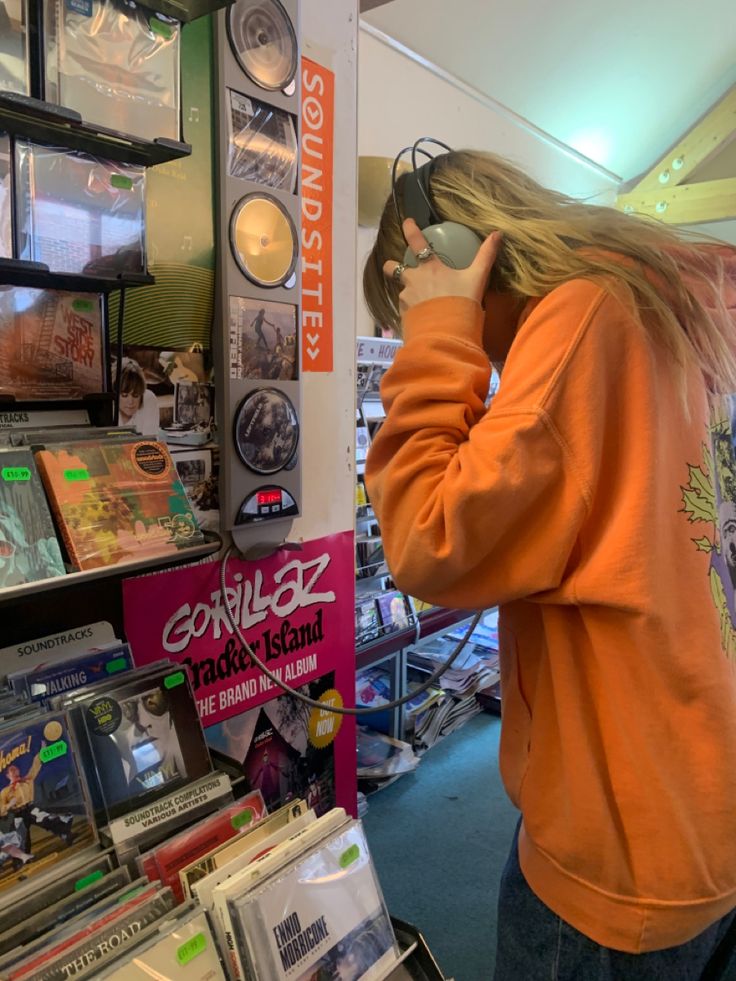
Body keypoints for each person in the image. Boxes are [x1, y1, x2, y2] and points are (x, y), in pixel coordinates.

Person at [363, 147, 736, 979]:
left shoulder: (581, 318)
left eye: (407, 299)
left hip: (619, 841)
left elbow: (429, 535)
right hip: (693, 798)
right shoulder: (662, 300)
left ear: (452, 256)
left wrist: (436, 337)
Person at [114, 357, 159, 435]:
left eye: (136, 395)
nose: (130, 401)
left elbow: (150, 439)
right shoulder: (107, 407)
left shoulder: (149, 399)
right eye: (124, 395)